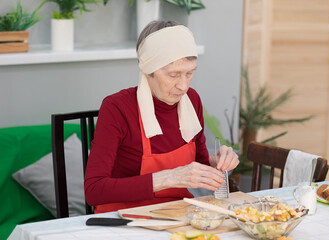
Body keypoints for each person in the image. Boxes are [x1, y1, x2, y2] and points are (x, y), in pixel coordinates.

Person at [84, 20, 239, 213]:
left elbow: (199, 163)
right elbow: (94, 191)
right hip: (124, 219)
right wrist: (170, 178)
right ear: (148, 71)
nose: (183, 86)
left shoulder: (191, 100)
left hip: (176, 214)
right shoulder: (117, 108)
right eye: (173, 75)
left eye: (189, 73)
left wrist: (215, 164)